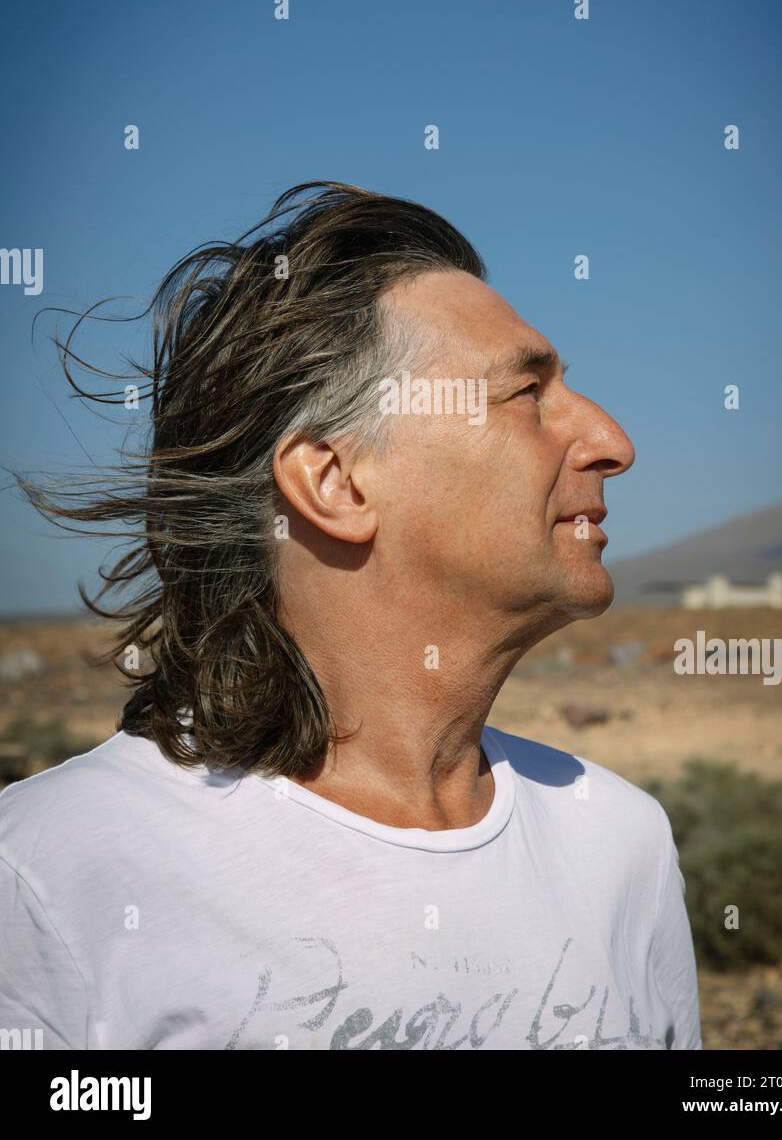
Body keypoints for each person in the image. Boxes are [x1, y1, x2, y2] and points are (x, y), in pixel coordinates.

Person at [0, 181, 702, 1050]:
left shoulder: (618, 842)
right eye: (526, 394)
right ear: (334, 482)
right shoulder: (48, 873)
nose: (610, 441)